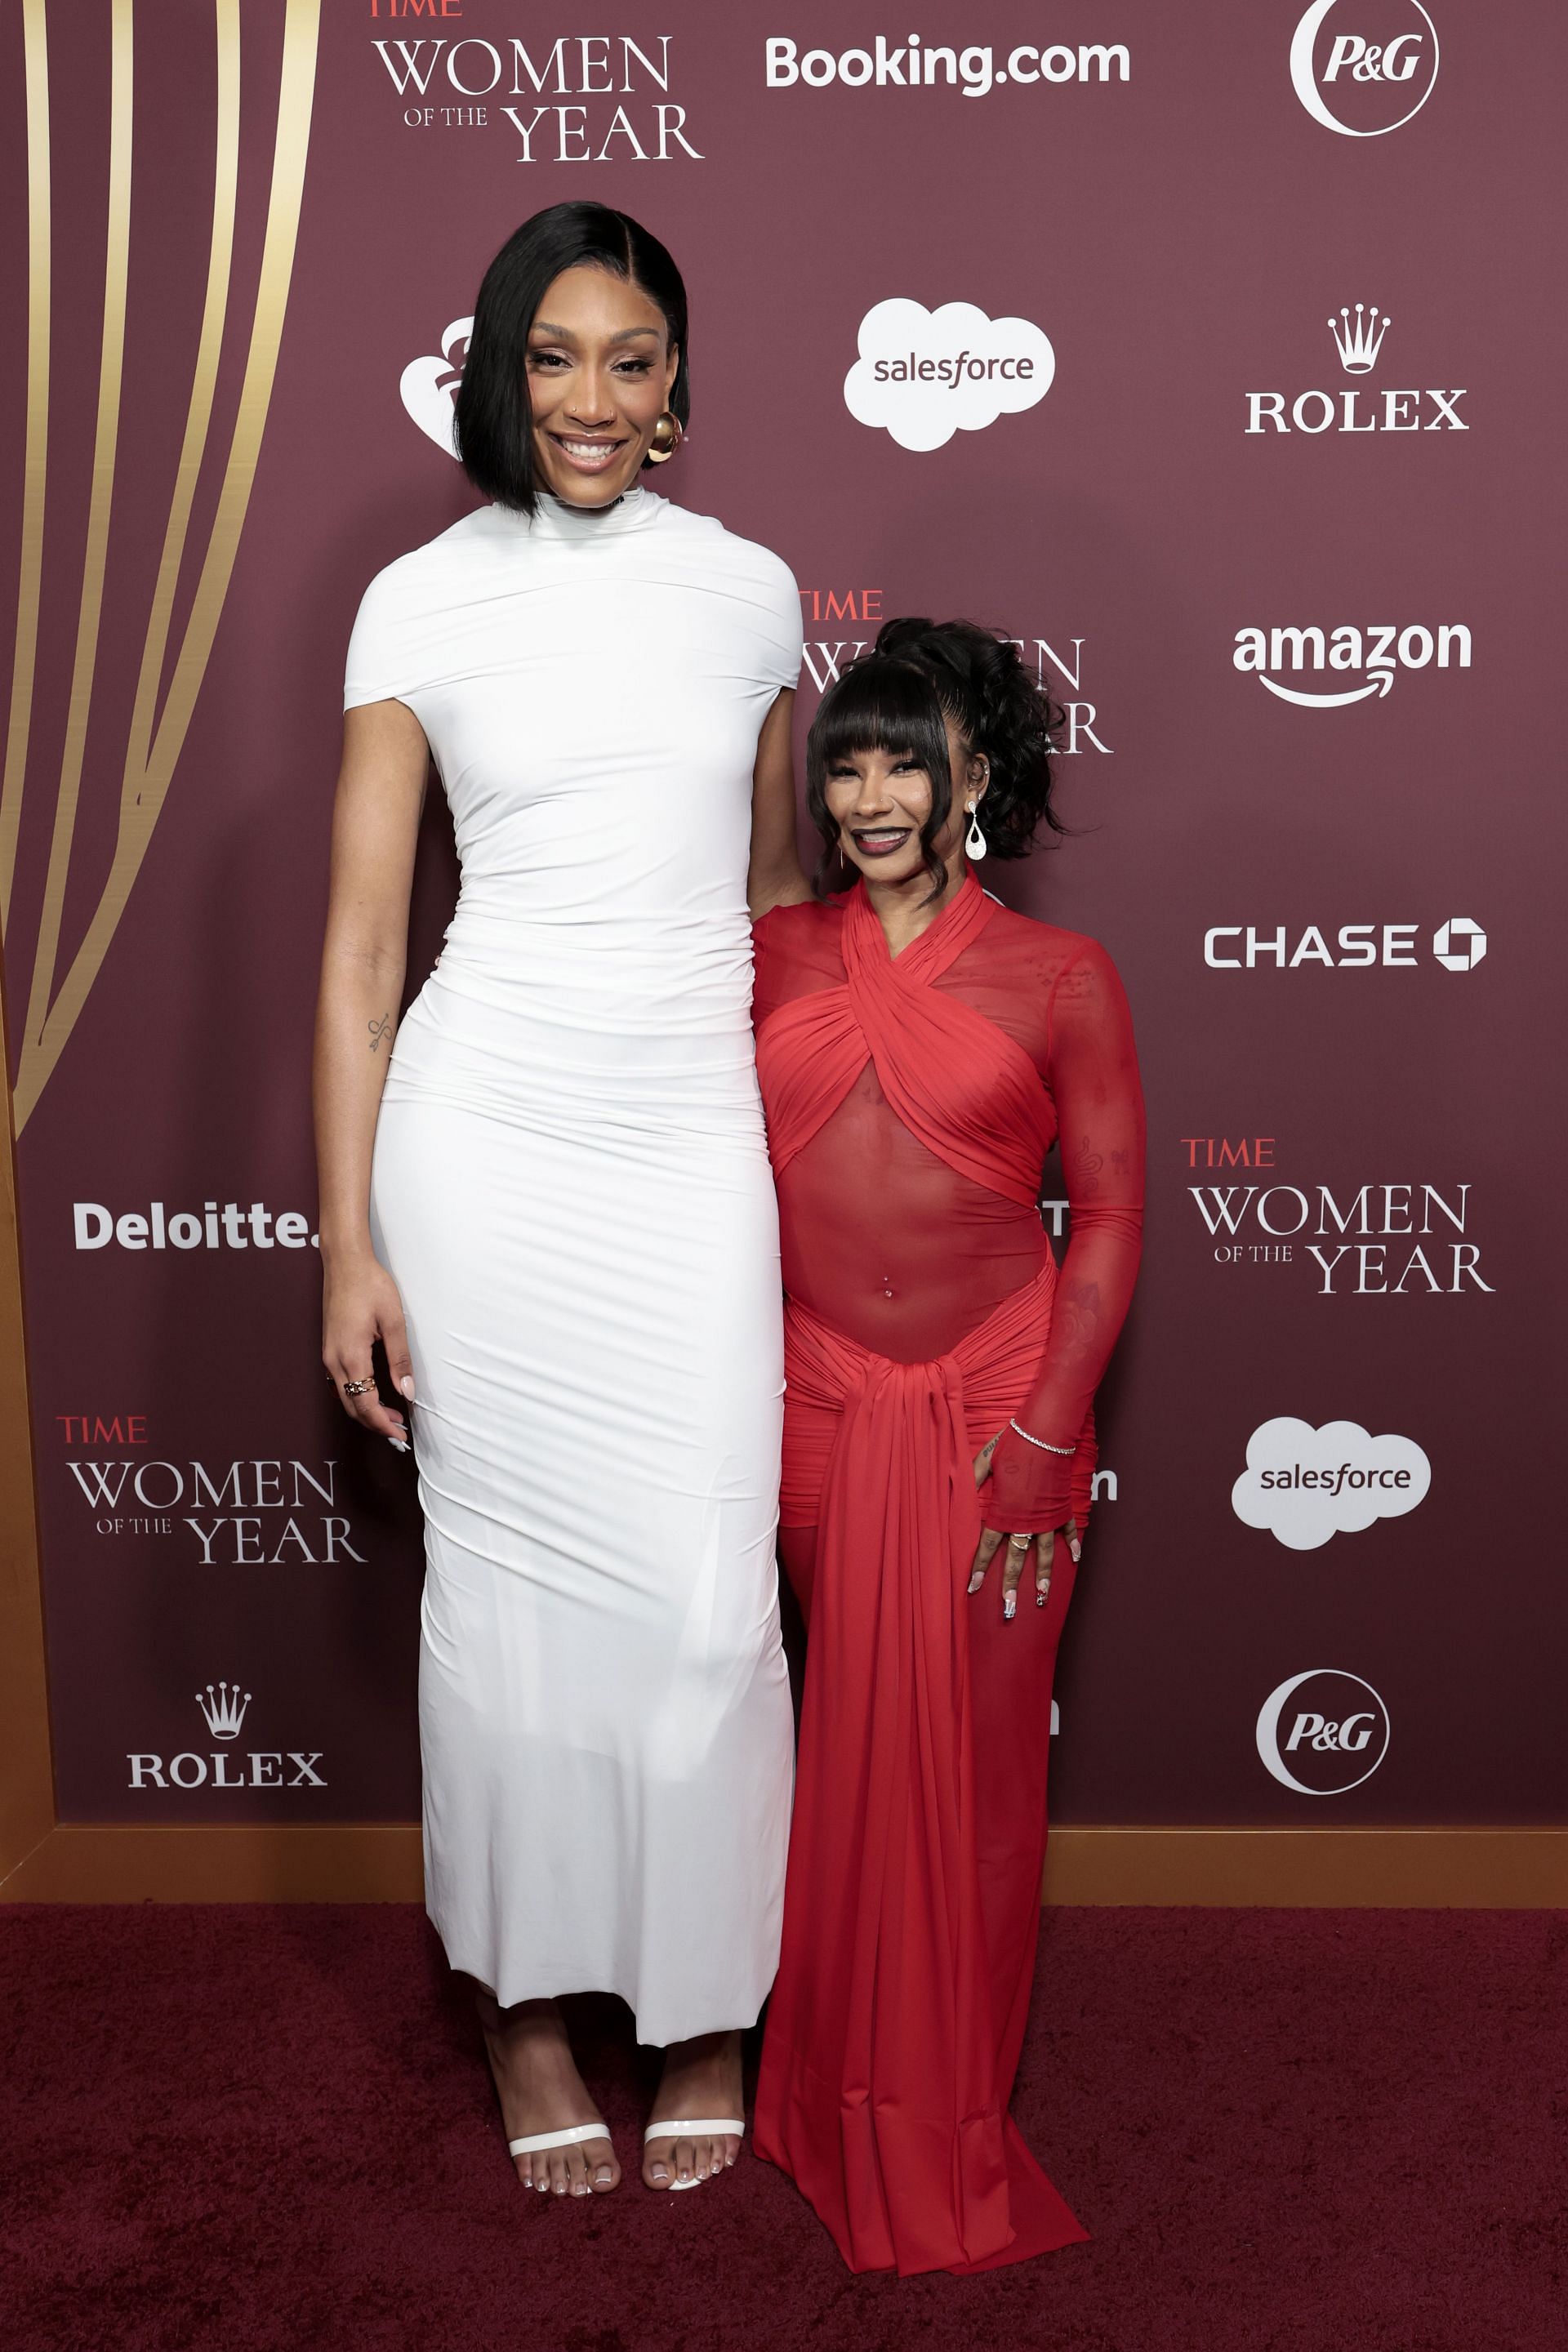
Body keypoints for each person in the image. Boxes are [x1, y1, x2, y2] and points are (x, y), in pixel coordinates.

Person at [313, 202, 807, 2202]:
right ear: (497, 375)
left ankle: (698, 2008)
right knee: (502, 1612)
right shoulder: (413, 604)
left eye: (631, 358)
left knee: (708, 1607)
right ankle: (523, 2013)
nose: (593, 398)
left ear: (678, 381)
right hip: (484, 1143)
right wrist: (349, 1240)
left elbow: (776, 911)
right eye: (554, 357)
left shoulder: (756, 594)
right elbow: (360, 959)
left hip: (690, 1142)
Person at [750, 618, 1145, 2274]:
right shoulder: (763, 954)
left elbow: (1113, 1217)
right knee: (834, 1758)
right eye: (847, 760)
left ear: (973, 776)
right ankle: (829, 2087)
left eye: (905, 758)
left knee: (977, 1776)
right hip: (814, 1403)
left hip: (999, 1402)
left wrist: (1051, 1435)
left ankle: (953, 2110)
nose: (873, 792)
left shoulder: (1059, 975)